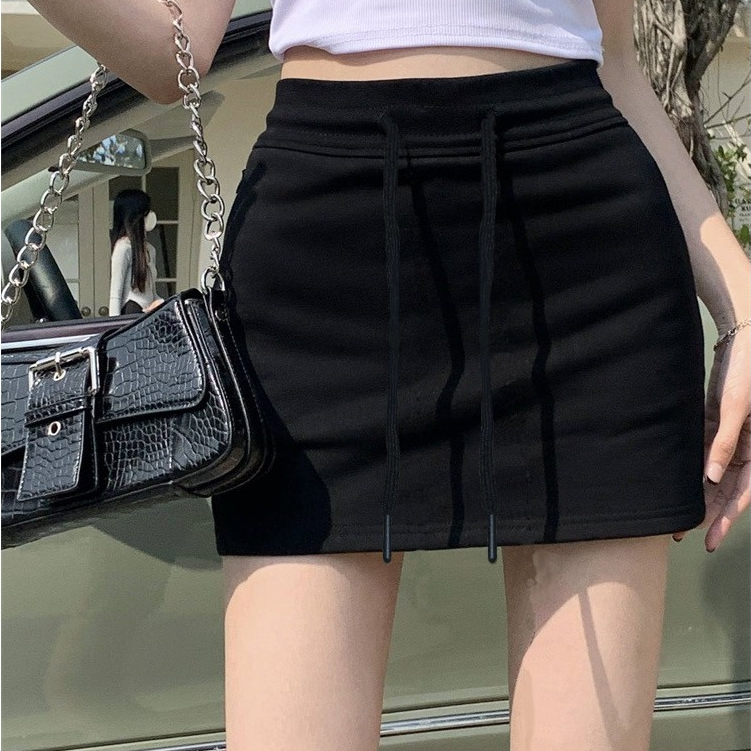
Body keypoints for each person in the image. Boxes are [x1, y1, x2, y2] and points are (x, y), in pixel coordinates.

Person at [27, 1, 750, 749]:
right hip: (323, 264)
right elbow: (173, 48)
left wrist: (741, 307)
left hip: (586, 262)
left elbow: (615, 61)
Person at [109, 188, 164, 315]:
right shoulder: (123, 247)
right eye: (146, 212)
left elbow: (151, 292)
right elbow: (115, 294)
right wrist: (114, 324)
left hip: (146, 315)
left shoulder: (150, 249)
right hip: (131, 312)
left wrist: (162, 303)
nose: (150, 215)